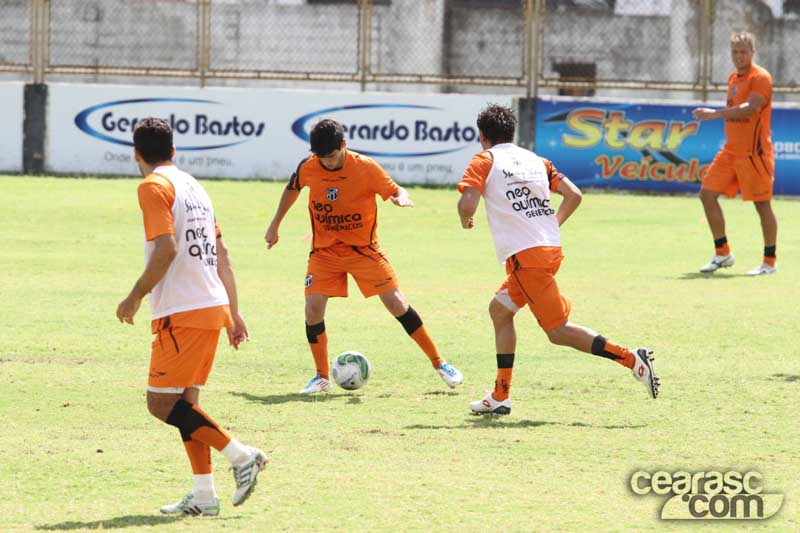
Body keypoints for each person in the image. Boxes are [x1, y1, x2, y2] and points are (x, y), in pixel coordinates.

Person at [456, 104, 659, 416]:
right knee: (499, 311)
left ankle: (633, 360)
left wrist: (464, 219)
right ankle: (500, 395)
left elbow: (468, 202)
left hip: (528, 258)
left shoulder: (485, 159)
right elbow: (574, 194)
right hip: (547, 249)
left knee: (558, 331)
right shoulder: (536, 160)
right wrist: (549, 226)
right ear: (512, 132)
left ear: (482, 136)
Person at [116, 118, 266, 516]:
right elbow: (223, 253)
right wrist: (232, 312)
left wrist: (134, 296)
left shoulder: (153, 186)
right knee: (187, 403)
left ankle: (241, 456)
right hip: (209, 305)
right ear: (174, 151)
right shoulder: (194, 186)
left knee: (161, 404)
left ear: (136, 154)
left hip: (182, 309)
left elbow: (166, 250)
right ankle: (204, 497)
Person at [264, 119, 463, 394]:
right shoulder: (309, 167)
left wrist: (400, 197)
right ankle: (322, 377)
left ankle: (441, 364)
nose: (327, 163)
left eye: (332, 157)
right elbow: (293, 189)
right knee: (312, 310)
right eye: (321, 157)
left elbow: (396, 189)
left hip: (363, 251)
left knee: (397, 304)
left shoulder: (365, 168)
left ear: (344, 145)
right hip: (325, 252)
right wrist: (275, 224)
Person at [692, 31, 778, 276]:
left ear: (753, 52)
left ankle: (769, 261)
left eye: (743, 51)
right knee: (707, 194)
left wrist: (715, 114)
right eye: (735, 52)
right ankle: (723, 252)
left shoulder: (760, 77)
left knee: (762, 205)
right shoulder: (733, 77)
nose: (739, 56)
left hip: (755, 153)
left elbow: (750, 108)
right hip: (731, 151)